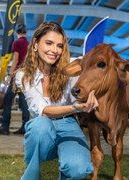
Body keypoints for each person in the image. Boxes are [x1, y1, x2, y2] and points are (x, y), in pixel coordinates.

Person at [15, 22, 98, 180]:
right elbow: (43, 110)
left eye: (59, 46)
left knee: (78, 169)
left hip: (69, 125)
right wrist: (76, 107)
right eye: (49, 43)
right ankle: (31, 175)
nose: (55, 50)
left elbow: (89, 65)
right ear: (35, 43)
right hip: (42, 127)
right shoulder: (23, 75)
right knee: (40, 126)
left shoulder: (69, 69)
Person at [0, 24, 30, 135]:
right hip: (26, 75)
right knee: (23, 102)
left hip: (17, 75)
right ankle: (25, 127)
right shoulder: (28, 44)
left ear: (17, 33)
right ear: (25, 33)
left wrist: (10, 74)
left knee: (7, 99)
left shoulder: (17, 43)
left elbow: (16, 59)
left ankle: (5, 126)